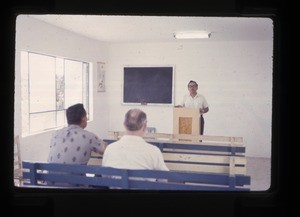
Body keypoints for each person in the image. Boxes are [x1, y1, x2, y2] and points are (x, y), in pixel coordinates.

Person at [102, 108, 169, 171]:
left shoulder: (110, 149)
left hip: (116, 184)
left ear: (124, 125)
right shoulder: (154, 152)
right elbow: (163, 179)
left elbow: (105, 175)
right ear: (145, 127)